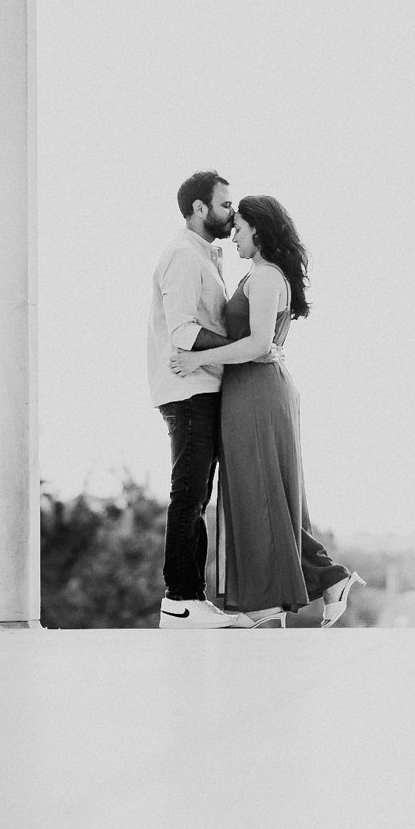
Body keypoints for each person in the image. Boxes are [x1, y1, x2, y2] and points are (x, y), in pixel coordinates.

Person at [171, 194, 365, 627]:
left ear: (258, 230)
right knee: (260, 494)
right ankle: (313, 586)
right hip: (251, 391)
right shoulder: (260, 275)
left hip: (257, 394)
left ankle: (286, 595)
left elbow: (260, 345)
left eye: (239, 228)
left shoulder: (264, 278)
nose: (234, 235)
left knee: (261, 495)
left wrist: (197, 358)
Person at [147, 170, 269, 629]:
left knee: (198, 495)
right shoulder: (182, 255)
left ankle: (190, 599)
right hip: (188, 387)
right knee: (189, 493)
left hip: (204, 385)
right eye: (224, 205)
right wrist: (233, 353)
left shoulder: (204, 255)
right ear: (199, 208)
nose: (231, 213)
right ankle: (179, 599)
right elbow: (181, 331)